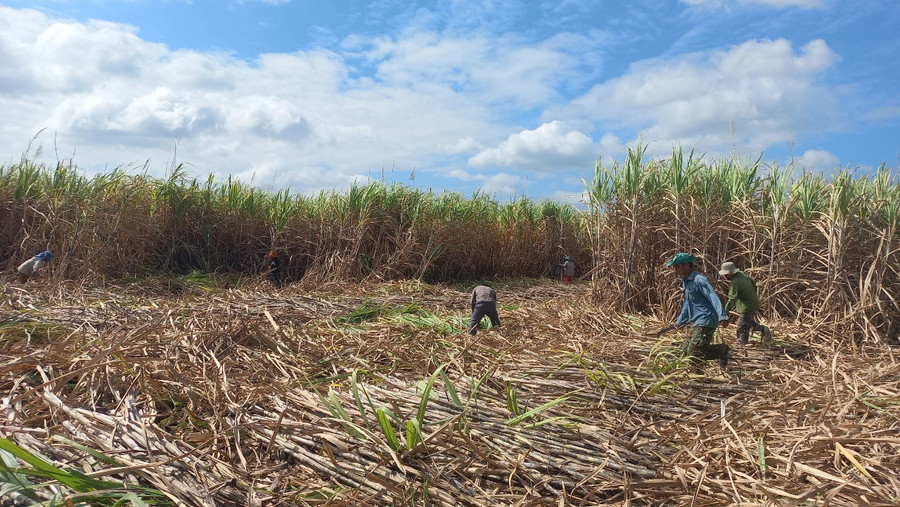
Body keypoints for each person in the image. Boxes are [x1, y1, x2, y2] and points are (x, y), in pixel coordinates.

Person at [666, 252, 730, 369]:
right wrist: (679, 322)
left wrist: (722, 316)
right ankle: (721, 350)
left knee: (694, 352)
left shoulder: (699, 280)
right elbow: (687, 303)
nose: (675, 269)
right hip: (695, 321)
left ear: (687, 265)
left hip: (706, 319)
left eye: (677, 266)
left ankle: (698, 376)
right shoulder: (686, 282)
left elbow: (712, 296)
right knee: (686, 350)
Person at [718, 261, 773, 346]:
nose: (725, 276)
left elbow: (732, 298)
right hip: (753, 302)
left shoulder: (735, 281)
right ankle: (763, 329)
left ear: (730, 273)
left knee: (742, 327)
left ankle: (743, 344)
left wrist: (724, 312)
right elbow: (753, 284)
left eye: (726, 274)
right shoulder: (742, 273)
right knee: (747, 322)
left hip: (746, 306)